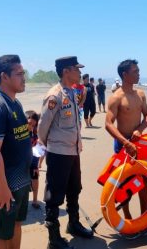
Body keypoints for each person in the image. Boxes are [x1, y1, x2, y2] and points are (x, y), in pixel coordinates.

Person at [38, 56, 94, 249]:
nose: (79, 73)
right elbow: (42, 127)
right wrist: (51, 146)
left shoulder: (71, 91)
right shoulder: (55, 95)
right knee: (54, 195)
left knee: (74, 188)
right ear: (66, 71)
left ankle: (74, 224)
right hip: (59, 153)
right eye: (76, 69)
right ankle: (53, 237)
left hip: (73, 151)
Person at [0, 55, 32, 249]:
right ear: (4, 76)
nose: (24, 78)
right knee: (2, 233)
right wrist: (2, 188)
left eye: (23, 73)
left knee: (16, 224)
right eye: (19, 74)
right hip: (5, 184)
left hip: (21, 179)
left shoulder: (16, 104)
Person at [105, 59, 147, 219]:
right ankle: (128, 217)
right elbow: (108, 124)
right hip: (123, 144)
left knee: (145, 180)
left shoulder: (140, 94)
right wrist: (125, 142)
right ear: (125, 75)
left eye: (138, 71)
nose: (139, 74)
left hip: (139, 143)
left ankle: (145, 216)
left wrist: (140, 129)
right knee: (125, 183)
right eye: (135, 72)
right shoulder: (116, 97)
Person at [25, 110, 44, 209]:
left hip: (33, 159)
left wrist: (37, 165)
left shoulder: (36, 133)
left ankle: (35, 200)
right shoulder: (20, 133)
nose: (31, 127)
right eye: (29, 124)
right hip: (22, 161)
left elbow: (39, 149)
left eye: (33, 125)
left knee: (35, 177)